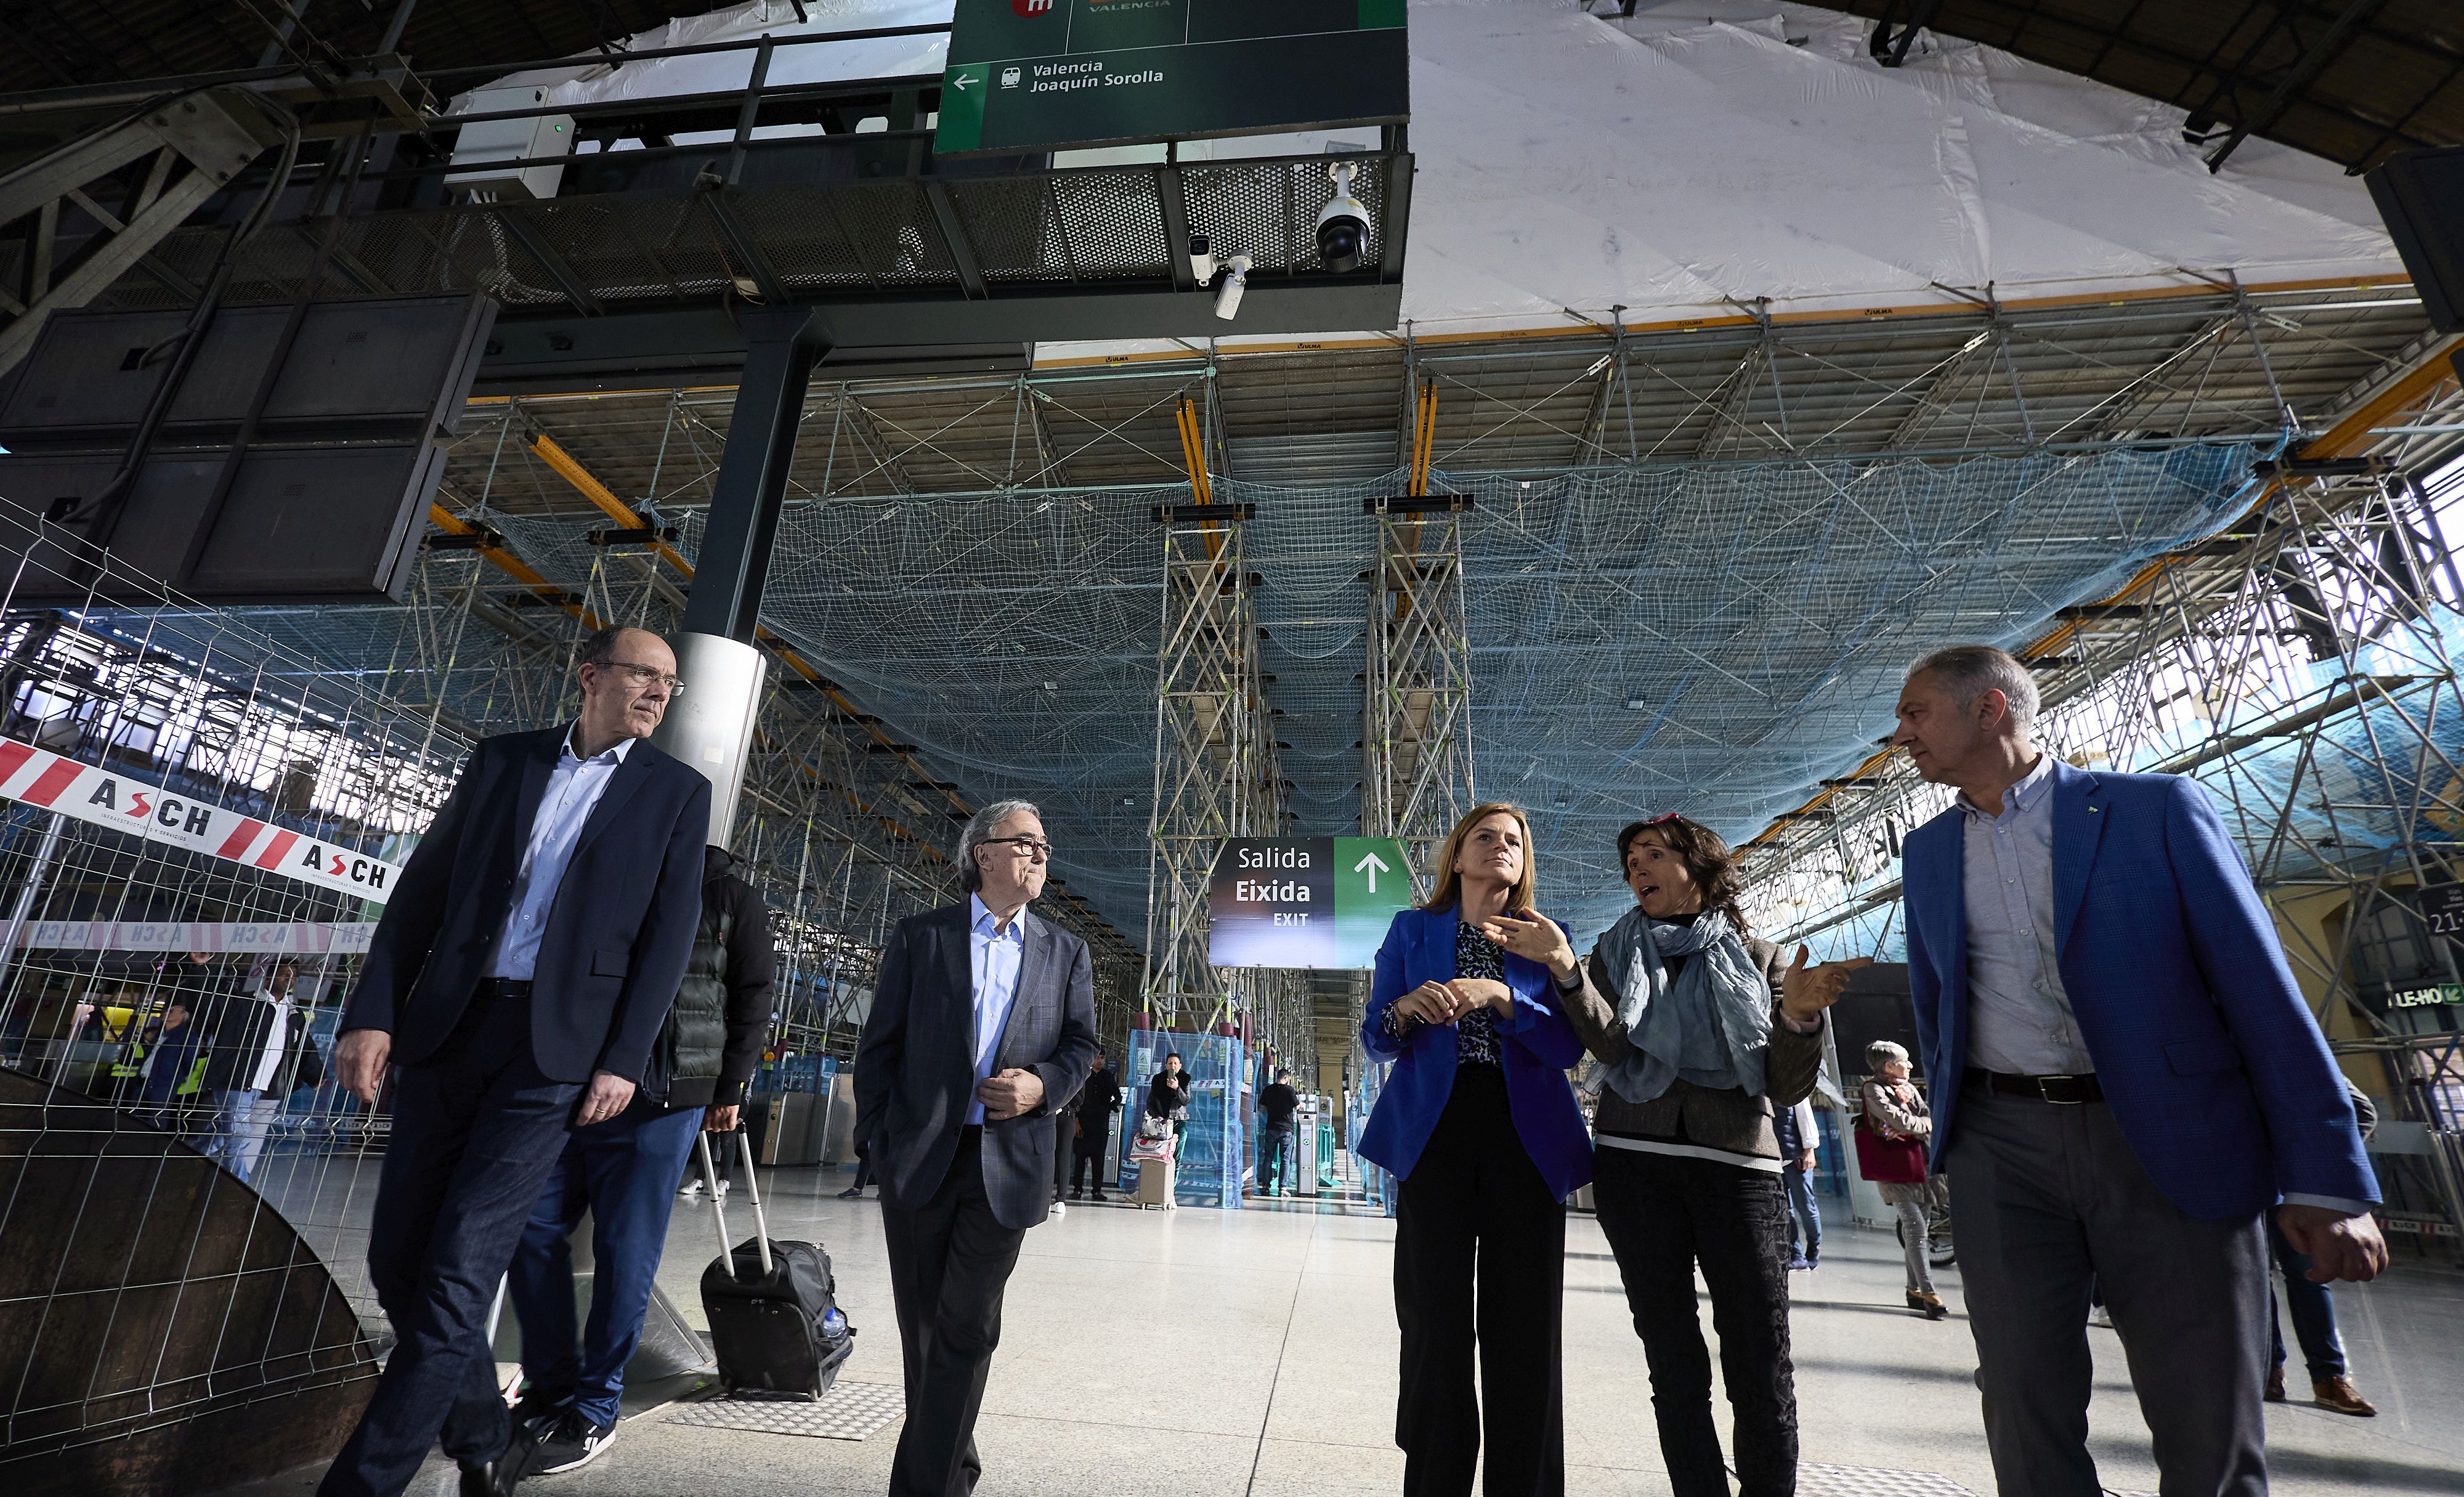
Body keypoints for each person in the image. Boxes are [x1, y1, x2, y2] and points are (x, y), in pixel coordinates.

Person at [1892, 644, 2384, 1497]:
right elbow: (1939, 1008)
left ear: (1990, 709)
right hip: (2001, 1146)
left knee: (2206, 1415)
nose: (1901, 734)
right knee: (2019, 1397)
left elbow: (2262, 992)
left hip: (2164, 1134)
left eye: (1916, 712)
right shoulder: (1929, 851)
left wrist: (2328, 1178)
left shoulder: (2151, 811)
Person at [318, 625, 711, 1497]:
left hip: (556, 1053)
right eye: (643, 675)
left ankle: (363, 1482)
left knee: (460, 1266)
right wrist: (373, 1013)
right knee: (397, 1259)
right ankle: (485, 1432)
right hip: (451, 1028)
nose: (656, 693)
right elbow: (421, 893)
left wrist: (620, 1058)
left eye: (670, 685)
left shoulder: (676, 793)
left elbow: (667, 939)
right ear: (591, 675)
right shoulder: (502, 762)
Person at [1483, 814, 1860, 1497]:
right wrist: (1567, 969)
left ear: (1700, 866)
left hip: (1740, 1174)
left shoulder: (1765, 960)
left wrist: (1800, 1018)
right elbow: (1610, 1049)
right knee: (1672, 1358)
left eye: (1653, 855)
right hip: (1635, 1167)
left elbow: (1783, 1083)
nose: (1638, 870)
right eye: (1630, 861)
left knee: (1759, 1357)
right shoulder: (1615, 951)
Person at [506, 840, 776, 1475]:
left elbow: (752, 992)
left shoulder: (729, 896)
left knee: (625, 1251)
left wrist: (730, 1086)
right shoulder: (599, 874)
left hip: (664, 1097)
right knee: (527, 1229)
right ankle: (550, 1383)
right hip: (568, 1087)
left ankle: (596, 1407)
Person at [854, 799, 1097, 1497]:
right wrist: (879, 1137)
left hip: (1008, 1162)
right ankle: (953, 1465)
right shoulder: (920, 938)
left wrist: (1040, 1087)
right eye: (1025, 843)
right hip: (921, 1157)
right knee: (923, 1330)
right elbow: (880, 1049)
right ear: (982, 854)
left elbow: (1081, 1046)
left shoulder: (1064, 951)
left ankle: (924, 1486)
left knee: (968, 1325)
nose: (1040, 856)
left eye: (1044, 846)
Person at [1357, 802, 1590, 1497]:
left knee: (1526, 1323)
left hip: (1528, 1136)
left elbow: (1569, 1046)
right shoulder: (1412, 930)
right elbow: (1376, 1036)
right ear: (1456, 857)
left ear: (1524, 861)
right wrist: (1404, 1011)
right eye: (1484, 837)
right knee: (1433, 1317)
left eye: (1512, 840)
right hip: (1436, 1131)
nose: (1499, 847)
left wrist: (1502, 997)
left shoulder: (1548, 938)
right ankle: (1433, 1477)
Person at [2267, 1078, 2381, 1416]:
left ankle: (2329, 1377)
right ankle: (2269, 1370)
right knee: (2253, 1278)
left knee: (2309, 1276)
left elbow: (2362, 1112)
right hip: (2242, 1185)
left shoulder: (2284, 1052)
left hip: (2293, 1190)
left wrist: (2315, 1171)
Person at [197, 961, 321, 1187]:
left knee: (220, 1133)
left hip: (265, 1087)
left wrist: (315, 1075)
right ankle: (239, 1186)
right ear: (268, 977)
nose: (289, 980)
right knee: (239, 1134)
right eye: (284, 975)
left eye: (293, 977)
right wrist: (203, 969)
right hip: (236, 1081)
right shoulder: (243, 1003)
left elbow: (304, 1046)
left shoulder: (293, 1013)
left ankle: (187, 1161)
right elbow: (207, 1004)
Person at [1857, 1042, 1947, 1317]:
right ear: (1888, 1066)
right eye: (1904, 1061)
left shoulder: (1908, 1090)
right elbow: (1906, 1123)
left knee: (1920, 1226)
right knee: (1916, 1227)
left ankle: (1913, 1290)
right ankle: (1930, 1293)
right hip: (1894, 1169)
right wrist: (1920, 1126)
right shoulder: (1873, 1089)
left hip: (1920, 1164)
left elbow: (1926, 1117)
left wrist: (1917, 1126)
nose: (1909, 1065)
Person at [1773, 1096, 1820, 1272]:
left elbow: (1805, 1116)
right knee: (1785, 1209)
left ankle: (1813, 1250)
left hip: (1796, 1157)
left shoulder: (1792, 1086)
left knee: (1806, 1207)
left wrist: (1809, 1149)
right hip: (1775, 1158)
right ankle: (1796, 1254)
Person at [1071, 1053, 1122, 1201]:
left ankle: (1097, 1191)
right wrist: (1076, 1121)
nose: (1099, 1061)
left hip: (1101, 1123)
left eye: (1102, 1058)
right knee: (1080, 1158)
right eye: (1097, 1058)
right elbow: (1075, 1098)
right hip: (1083, 1122)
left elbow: (1117, 1096)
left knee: (1098, 1159)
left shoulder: (1108, 1077)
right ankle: (1077, 1189)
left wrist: (1110, 1107)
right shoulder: (1084, 1076)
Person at [1257, 1068, 1301, 1196]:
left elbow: (1261, 1108)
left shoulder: (1268, 1090)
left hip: (1271, 1128)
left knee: (1268, 1158)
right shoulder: (1290, 1090)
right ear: (1287, 1078)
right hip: (1286, 1129)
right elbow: (1297, 1106)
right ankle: (1283, 1188)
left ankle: (1265, 1186)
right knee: (1285, 1159)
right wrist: (1301, 1105)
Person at [1146, 1050, 1191, 1137]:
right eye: (1170, 1063)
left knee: (1178, 1144)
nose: (1173, 1066)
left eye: (1175, 1063)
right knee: (1162, 1148)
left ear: (1180, 1066)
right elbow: (1150, 1102)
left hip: (1178, 1120)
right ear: (1166, 1065)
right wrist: (1157, 1116)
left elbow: (1186, 1101)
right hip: (1161, 1121)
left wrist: (1177, 1088)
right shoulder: (1158, 1079)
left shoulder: (1185, 1079)